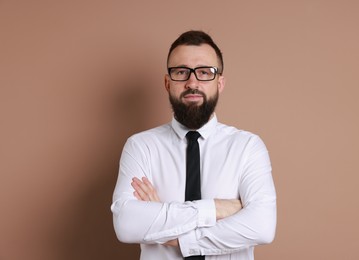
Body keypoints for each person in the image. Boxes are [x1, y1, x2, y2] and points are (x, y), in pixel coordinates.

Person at [111, 30, 277, 260]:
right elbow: (127, 224)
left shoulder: (247, 147)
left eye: (204, 72)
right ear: (167, 83)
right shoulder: (141, 147)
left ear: (220, 83)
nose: (192, 82)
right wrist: (216, 209)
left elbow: (262, 226)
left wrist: (168, 230)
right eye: (181, 72)